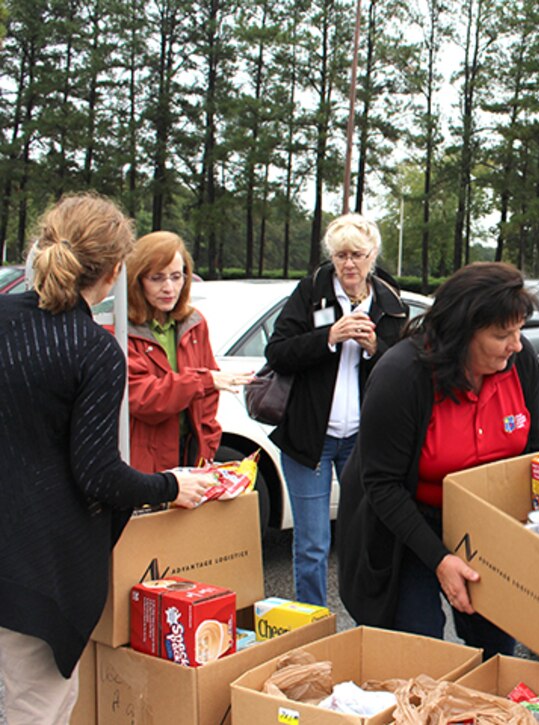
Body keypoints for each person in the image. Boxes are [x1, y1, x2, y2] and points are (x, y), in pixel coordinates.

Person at [0, 194, 214, 725]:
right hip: (34, 575)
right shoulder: (91, 348)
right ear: (118, 270)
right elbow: (96, 474)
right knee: (37, 708)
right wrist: (168, 485)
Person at [337, 262, 539, 659]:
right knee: (419, 647)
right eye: (502, 334)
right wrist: (439, 559)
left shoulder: (519, 364)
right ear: (461, 333)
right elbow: (381, 484)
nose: (517, 344)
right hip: (407, 528)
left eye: (519, 331)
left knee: (498, 646)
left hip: (485, 528)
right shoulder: (402, 375)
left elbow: (537, 451)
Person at [265, 213, 408, 606]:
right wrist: (327, 337)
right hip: (309, 438)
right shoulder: (310, 292)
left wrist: (377, 349)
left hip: (362, 440)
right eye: (341, 255)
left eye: (357, 255)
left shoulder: (389, 302)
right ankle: (314, 626)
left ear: (372, 256)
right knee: (312, 543)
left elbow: (405, 371)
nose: (349, 264)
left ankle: (366, 618)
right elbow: (277, 352)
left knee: (364, 535)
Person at [121, 231, 252, 473]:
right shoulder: (120, 329)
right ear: (137, 280)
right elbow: (145, 398)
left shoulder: (194, 322)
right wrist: (202, 381)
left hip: (190, 453)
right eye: (157, 278)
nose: (169, 288)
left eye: (176, 277)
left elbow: (209, 397)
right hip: (142, 459)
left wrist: (208, 442)